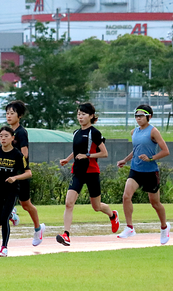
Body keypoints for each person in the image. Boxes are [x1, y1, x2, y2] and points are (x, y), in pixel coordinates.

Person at [0, 100, 45, 249]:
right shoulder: (7, 132)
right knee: (0, 205)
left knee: (26, 204)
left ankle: (38, 229)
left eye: (12, 113)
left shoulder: (21, 132)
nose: (9, 116)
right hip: (6, 177)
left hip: (19, 174)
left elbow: (24, 153)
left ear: (20, 115)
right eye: (7, 113)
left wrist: (13, 158)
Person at [57, 102, 119, 246]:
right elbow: (77, 149)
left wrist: (87, 155)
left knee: (96, 207)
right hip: (78, 172)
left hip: (91, 172)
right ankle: (66, 234)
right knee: (68, 203)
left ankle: (112, 215)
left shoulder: (94, 133)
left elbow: (104, 153)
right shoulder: (76, 133)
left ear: (91, 116)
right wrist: (67, 159)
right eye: (78, 114)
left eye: (83, 114)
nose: (80, 117)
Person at [116, 105, 171, 245]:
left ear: (149, 117)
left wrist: (151, 158)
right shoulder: (134, 132)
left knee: (155, 203)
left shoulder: (153, 131)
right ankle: (129, 227)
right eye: (136, 116)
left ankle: (164, 227)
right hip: (135, 170)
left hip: (150, 172)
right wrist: (125, 160)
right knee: (126, 196)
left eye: (141, 116)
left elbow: (165, 151)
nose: (138, 118)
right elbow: (136, 149)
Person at [0, 126, 33, 257]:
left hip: (11, 191)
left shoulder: (17, 155)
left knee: (3, 218)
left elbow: (28, 173)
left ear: (12, 138)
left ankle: (4, 248)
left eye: (6, 136)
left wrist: (15, 178)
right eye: (1, 136)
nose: (3, 138)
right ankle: (11, 215)